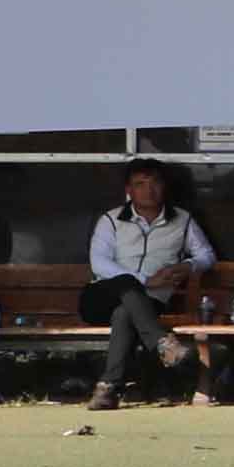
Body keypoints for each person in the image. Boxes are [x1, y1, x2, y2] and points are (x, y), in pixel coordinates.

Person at [82, 157, 218, 410]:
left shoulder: (182, 220)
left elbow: (206, 256)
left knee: (126, 313)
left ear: (164, 186)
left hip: (149, 304)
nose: (148, 190)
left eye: (154, 183)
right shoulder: (111, 220)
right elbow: (99, 263)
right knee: (125, 283)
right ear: (129, 190)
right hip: (100, 298)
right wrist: (145, 279)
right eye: (140, 184)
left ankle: (107, 389)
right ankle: (162, 344)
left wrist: (187, 266)